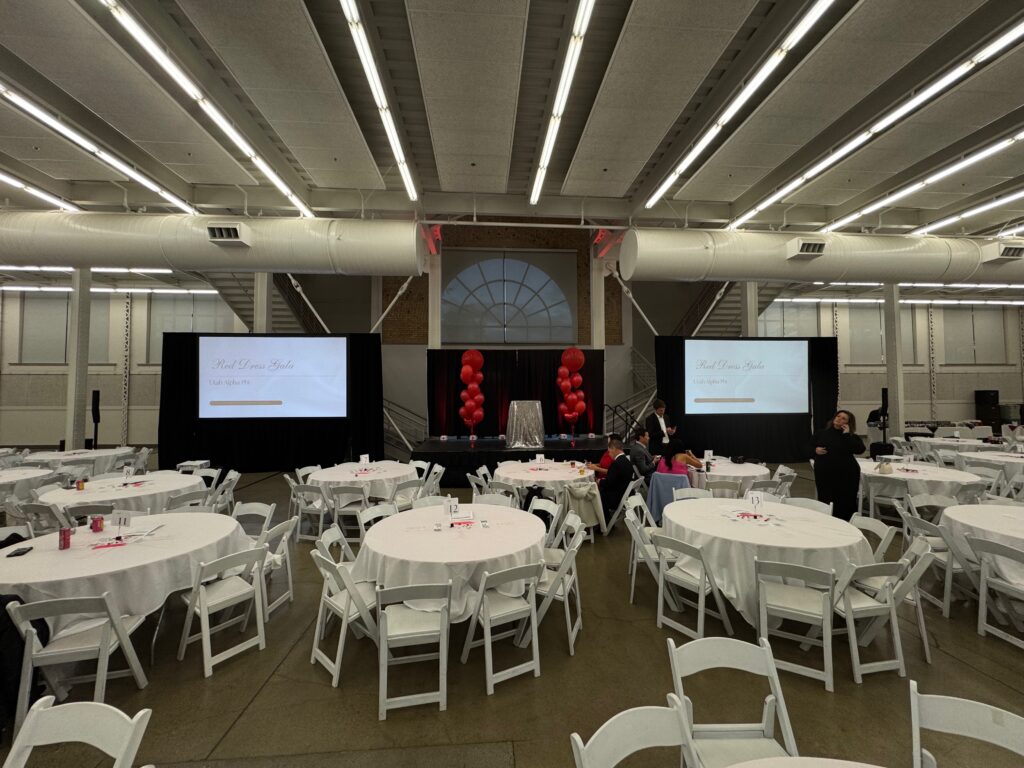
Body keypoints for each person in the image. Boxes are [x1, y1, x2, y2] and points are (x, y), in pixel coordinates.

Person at [811, 410, 866, 521]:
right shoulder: (821, 433)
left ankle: (846, 522)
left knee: (845, 500)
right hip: (825, 473)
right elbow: (806, 448)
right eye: (838, 416)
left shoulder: (851, 437)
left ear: (848, 423)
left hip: (846, 474)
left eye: (843, 418)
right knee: (826, 498)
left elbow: (860, 450)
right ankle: (827, 520)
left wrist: (846, 435)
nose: (839, 419)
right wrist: (815, 450)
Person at [599, 436, 633, 524]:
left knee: (596, 493)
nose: (609, 454)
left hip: (616, 498)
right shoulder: (626, 460)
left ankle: (604, 522)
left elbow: (609, 483)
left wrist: (599, 481)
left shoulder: (616, 463)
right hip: (624, 493)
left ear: (614, 449)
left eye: (609, 452)